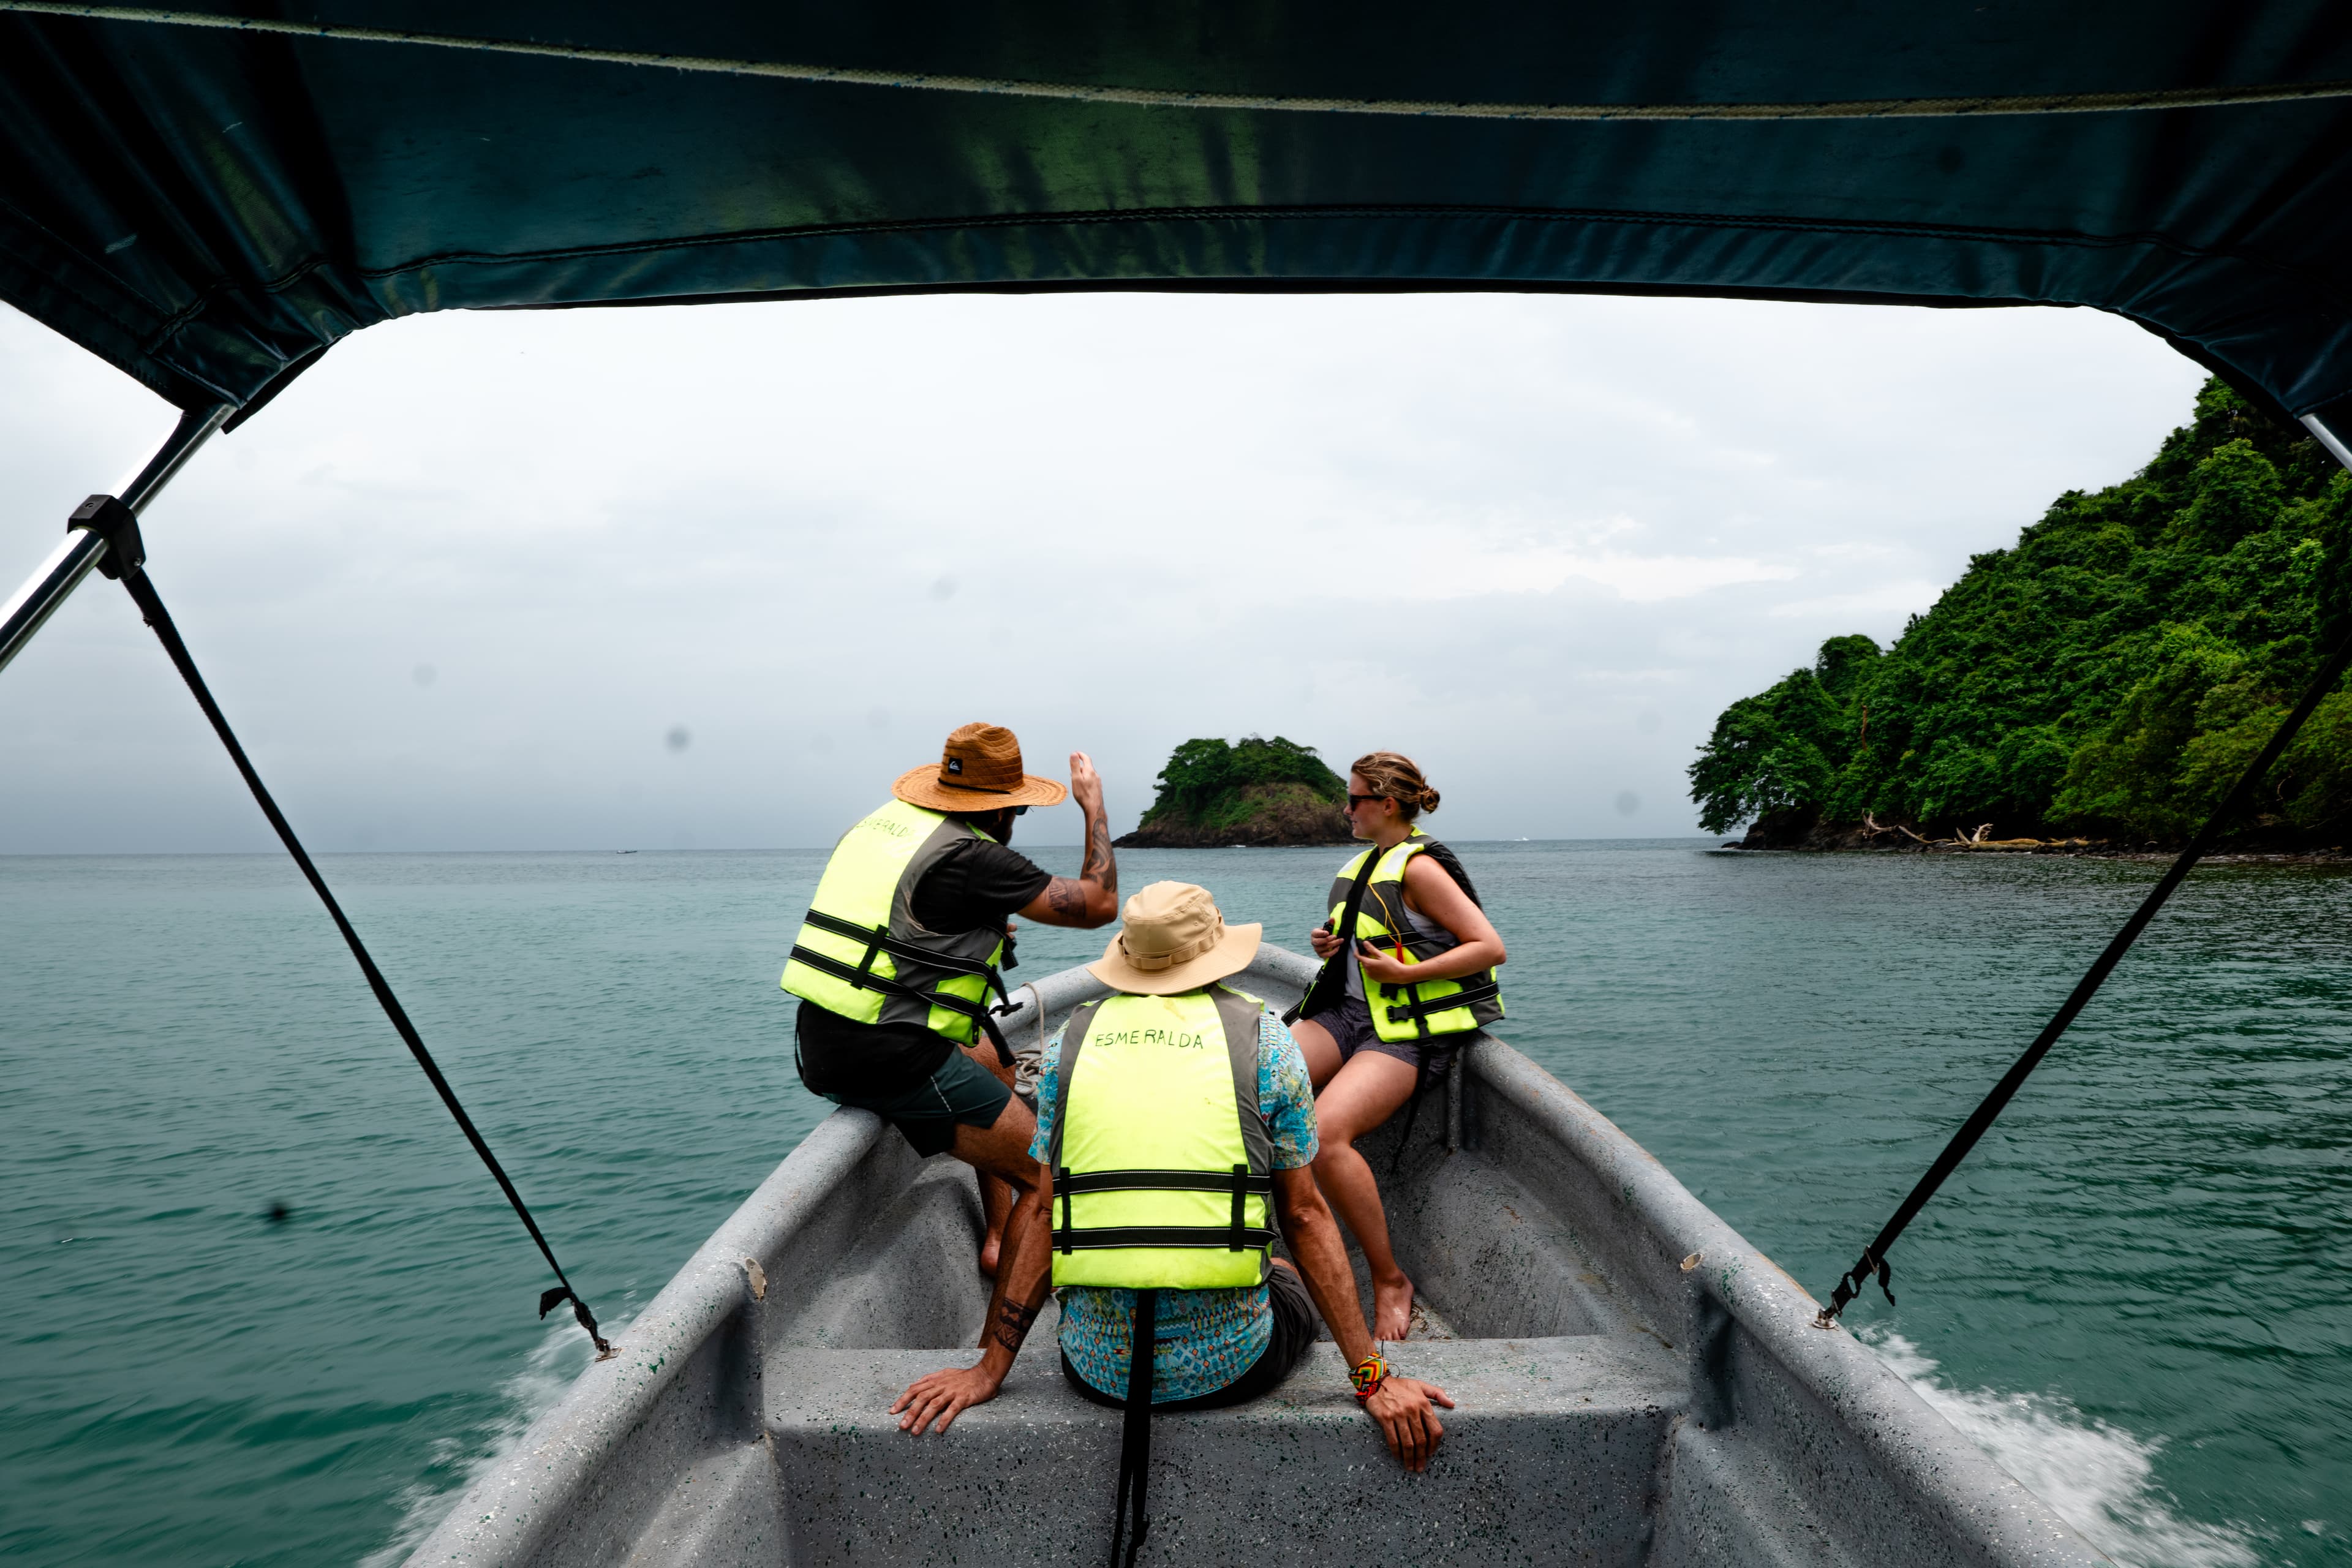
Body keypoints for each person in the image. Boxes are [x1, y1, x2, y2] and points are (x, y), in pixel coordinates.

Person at [892, 881, 1454, 1559]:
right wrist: (1373, 1377)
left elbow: (1041, 1209)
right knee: (1279, 1266)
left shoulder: (1077, 1039)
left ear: (1129, 955)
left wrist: (989, 1369)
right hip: (1232, 1368)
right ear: (1216, 953)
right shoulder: (1267, 1041)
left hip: (1095, 1368)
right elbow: (1305, 1215)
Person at [780, 721, 1117, 1295]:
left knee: (995, 1060)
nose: (1016, 823)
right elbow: (1098, 903)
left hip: (825, 1038)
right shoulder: (976, 858)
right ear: (1002, 808)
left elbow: (897, 921)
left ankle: (996, 1238)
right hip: (892, 1059)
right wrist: (1094, 807)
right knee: (1048, 1181)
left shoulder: (881, 828)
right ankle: (998, 1340)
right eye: (1019, 811)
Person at [1289, 751, 1506, 1341]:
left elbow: (1489, 947)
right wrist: (1329, 946)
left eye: (1355, 799)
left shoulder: (1420, 869)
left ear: (1386, 804)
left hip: (1402, 1032)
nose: (1345, 809)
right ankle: (1265, 1236)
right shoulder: (1365, 864)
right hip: (1344, 1014)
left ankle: (1389, 1279)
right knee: (1253, 1085)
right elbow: (1372, 941)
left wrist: (1405, 977)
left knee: (1326, 1134)